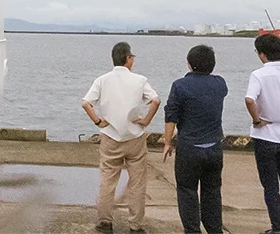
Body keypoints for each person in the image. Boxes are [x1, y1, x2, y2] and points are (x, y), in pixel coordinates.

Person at [82, 42, 161, 234]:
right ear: (127, 58)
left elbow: (86, 103)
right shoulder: (140, 80)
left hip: (110, 135)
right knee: (137, 183)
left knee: (108, 180)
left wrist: (98, 122)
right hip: (135, 136)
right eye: (132, 56)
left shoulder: (102, 80)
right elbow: (156, 100)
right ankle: (135, 225)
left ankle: (105, 221)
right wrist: (146, 120)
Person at [162, 44, 227, 234]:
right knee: (212, 191)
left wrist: (167, 142)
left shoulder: (180, 85)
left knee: (187, 191)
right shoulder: (220, 84)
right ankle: (215, 230)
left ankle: (192, 231)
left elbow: (171, 115)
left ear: (189, 64)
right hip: (214, 148)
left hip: (189, 148)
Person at [245, 27, 280, 234]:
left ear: (261, 54)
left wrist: (256, 120)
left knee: (270, 185)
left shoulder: (258, 75)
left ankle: (278, 227)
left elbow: (249, 99)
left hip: (265, 137)